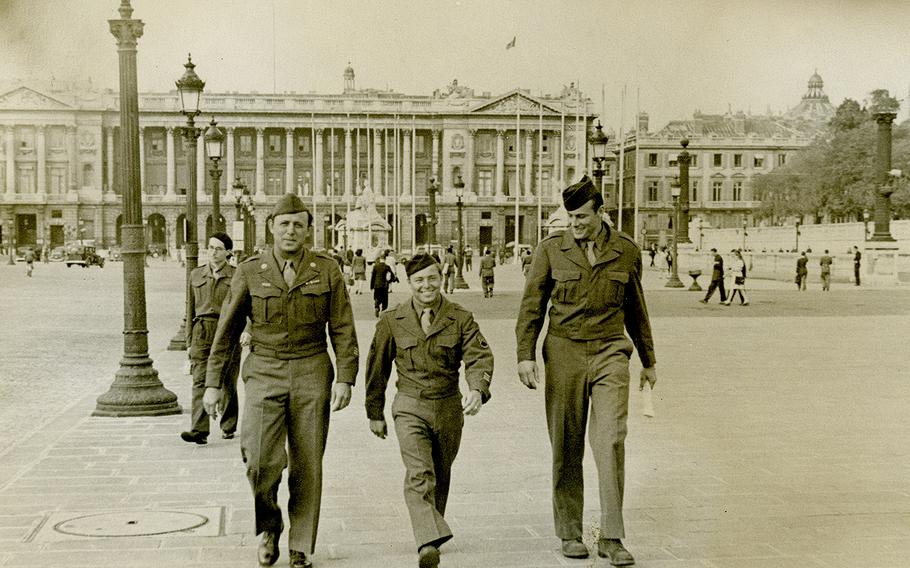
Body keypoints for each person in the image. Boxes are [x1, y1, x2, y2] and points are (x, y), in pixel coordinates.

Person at [203, 194, 359, 568]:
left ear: (308, 230)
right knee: (258, 459)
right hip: (264, 369)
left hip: (311, 369)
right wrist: (212, 382)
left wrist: (346, 378)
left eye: (299, 225)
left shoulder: (327, 269)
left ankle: (300, 542)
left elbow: (342, 326)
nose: (291, 231)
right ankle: (269, 526)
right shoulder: (250, 269)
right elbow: (226, 331)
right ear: (271, 226)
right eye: (284, 224)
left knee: (308, 461)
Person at [516, 175, 656, 566]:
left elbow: (637, 310)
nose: (575, 224)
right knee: (567, 443)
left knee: (611, 438)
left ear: (600, 212)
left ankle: (611, 536)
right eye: (571, 217)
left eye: (582, 217)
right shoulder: (551, 250)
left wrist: (649, 360)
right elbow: (532, 306)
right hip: (563, 352)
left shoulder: (626, 251)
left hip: (611, 349)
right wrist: (524, 354)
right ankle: (570, 531)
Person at [365, 254, 494, 568]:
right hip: (409, 406)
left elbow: (479, 356)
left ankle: (432, 532)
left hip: (449, 406)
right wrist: (374, 412)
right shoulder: (392, 320)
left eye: (432, 278)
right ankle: (426, 541)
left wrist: (477, 389)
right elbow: (376, 367)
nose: (426, 286)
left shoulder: (460, 317)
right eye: (419, 280)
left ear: (442, 277)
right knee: (420, 473)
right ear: (409, 284)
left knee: (440, 472)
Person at [181, 232, 242, 445]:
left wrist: (246, 331)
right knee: (199, 380)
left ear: (228, 253)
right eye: (210, 247)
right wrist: (189, 341)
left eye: (218, 249)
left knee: (227, 381)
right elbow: (189, 309)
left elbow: (246, 307)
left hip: (227, 331)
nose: (213, 252)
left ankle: (228, 425)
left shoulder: (237, 276)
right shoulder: (196, 275)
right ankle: (199, 430)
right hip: (201, 331)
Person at [370, 251, 398, 317]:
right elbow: (392, 275)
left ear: (380, 259)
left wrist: (371, 286)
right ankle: (383, 311)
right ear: (385, 259)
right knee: (385, 298)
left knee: (377, 296)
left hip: (377, 285)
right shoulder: (387, 267)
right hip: (384, 285)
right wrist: (391, 280)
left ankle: (377, 306)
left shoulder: (375, 266)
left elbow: (373, 277)